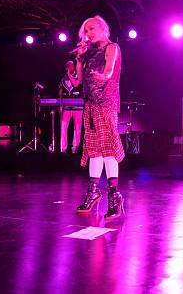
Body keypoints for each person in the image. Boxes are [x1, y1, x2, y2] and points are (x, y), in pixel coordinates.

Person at [74, 15, 125, 219]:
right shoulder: (89, 53)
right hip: (90, 103)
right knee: (94, 149)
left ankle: (114, 196)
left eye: (92, 29)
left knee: (108, 148)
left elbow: (109, 71)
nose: (89, 34)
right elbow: (78, 81)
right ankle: (93, 192)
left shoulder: (112, 47)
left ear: (103, 28)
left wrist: (101, 75)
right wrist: (79, 60)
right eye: (86, 31)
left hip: (106, 102)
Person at [59, 61, 83, 154]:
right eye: (67, 66)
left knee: (77, 127)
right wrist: (60, 102)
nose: (69, 67)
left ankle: (75, 147)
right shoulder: (63, 77)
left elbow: (76, 84)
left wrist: (69, 74)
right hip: (66, 106)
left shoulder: (79, 75)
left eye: (71, 65)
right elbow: (61, 90)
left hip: (78, 106)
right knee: (63, 126)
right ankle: (63, 147)